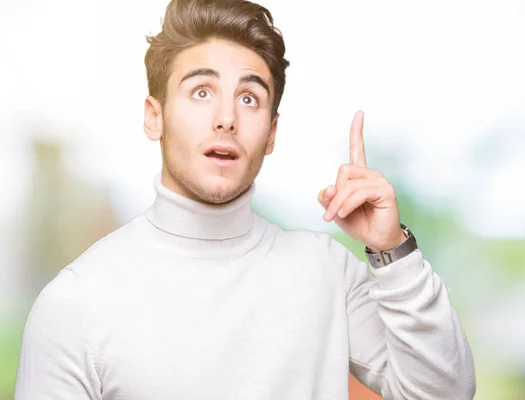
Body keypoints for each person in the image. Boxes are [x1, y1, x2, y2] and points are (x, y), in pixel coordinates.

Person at [14, 0, 476, 399]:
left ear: (271, 133)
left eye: (250, 99)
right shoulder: (77, 304)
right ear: (154, 117)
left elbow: (447, 391)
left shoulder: (325, 272)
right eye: (201, 91)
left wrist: (393, 249)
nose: (226, 118)